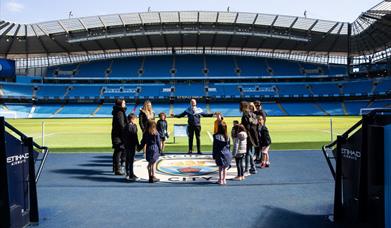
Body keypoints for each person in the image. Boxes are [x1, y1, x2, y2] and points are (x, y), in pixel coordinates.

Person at [240, 101, 259, 175]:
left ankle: (247, 169)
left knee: (248, 153)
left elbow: (247, 127)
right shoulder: (252, 114)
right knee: (250, 152)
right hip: (253, 136)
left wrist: (241, 127)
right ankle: (253, 168)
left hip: (249, 136)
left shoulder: (246, 115)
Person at [111, 99, 127, 175]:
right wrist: (126, 131)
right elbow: (121, 125)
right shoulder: (120, 112)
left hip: (117, 134)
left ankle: (116, 167)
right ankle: (117, 169)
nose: (125, 103)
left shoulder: (119, 111)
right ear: (120, 104)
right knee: (119, 151)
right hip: (119, 135)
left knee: (117, 151)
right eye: (124, 102)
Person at [122, 113, 140, 181]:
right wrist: (137, 145)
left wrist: (137, 145)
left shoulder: (133, 126)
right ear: (132, 119)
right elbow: (133, 137)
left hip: (131, 145)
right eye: (135, 119)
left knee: (129, 159)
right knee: (130, 160)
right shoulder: (128, 127)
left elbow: (136, 136)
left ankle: (129, 173)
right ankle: (130, 174)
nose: (136, 120)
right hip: (129, 145)